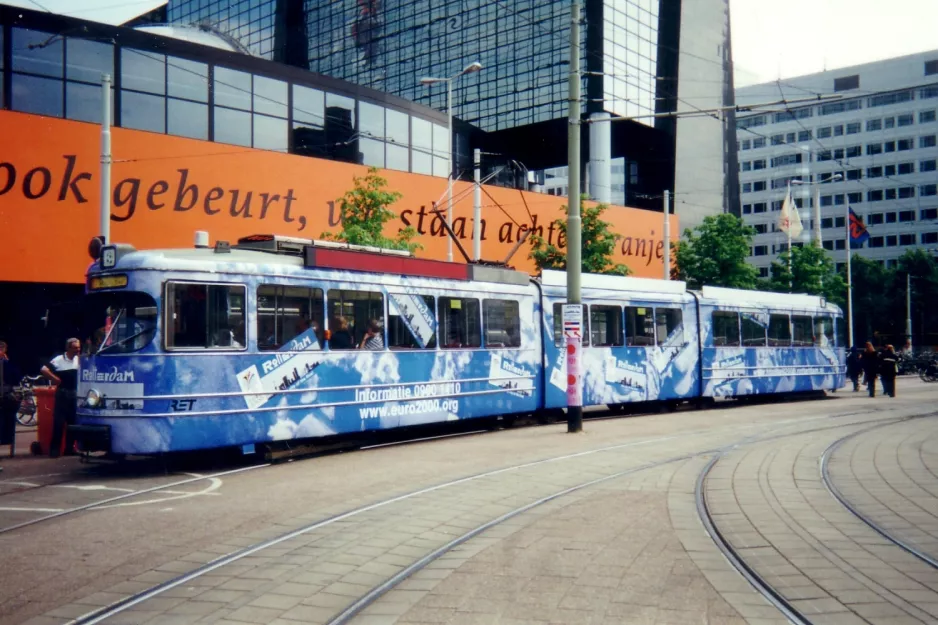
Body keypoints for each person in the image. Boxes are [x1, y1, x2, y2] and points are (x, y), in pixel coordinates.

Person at [41, 338, 81, 458]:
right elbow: (44, 369)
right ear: (68, 348)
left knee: (72, 422)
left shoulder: (78, 360)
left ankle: (70, 448)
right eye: (75, 348)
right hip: (63, 393)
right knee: (59, 422)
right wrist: (54, 379)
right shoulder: (59, 359)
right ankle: (55, 450)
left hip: (74, 393)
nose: (78, 350)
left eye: (79, 347)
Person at [0, 340, 21, 458]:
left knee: (7, 420)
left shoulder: (7, 364)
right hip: (6, 396)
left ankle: (7, 441)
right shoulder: (8, 364)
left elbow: (16, 378)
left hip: (6, 397)